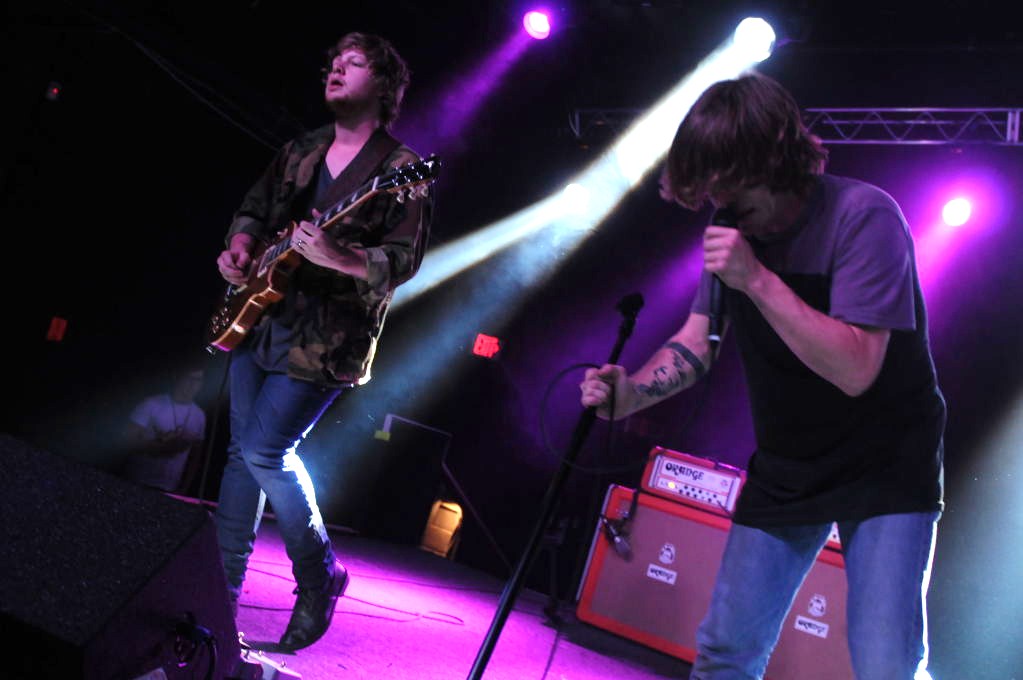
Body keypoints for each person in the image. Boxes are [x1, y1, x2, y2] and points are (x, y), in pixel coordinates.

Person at [580, 71, 945, 680]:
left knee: (885, 664)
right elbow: (697, 343)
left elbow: (856, 369)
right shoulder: (733, 229)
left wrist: (756, 279)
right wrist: (633, 392)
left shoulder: (863, 217)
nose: (723, 206)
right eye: (712, 194)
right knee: (726, 650)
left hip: (887, 467)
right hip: (789, 465)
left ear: (775, 161)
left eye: (734, 188)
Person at [213, 32, 432, 651]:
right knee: (242, 458)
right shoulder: (301, 148)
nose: (336, 70)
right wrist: (240, 248)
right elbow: (254, 209)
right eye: (334, 62)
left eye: (353, 64)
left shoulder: (400, 169)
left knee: (265, 451)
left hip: (328, 337)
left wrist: (342, 257)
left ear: (383, 87)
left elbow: (404, 259)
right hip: (260, 317)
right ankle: (218, 606)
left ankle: (319, 572)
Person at [121, 365, 207, 494]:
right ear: (178, 378)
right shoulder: (151, 404)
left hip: (169, 488)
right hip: (137, 481)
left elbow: (195, 458)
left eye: (198, 380)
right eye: (189, 378)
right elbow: (127, 440)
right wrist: (159, 444)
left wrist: (184, 488)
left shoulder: (200, 416)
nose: (192, 384)